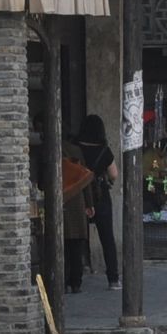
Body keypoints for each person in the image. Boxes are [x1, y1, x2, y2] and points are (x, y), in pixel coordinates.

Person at [74, 115, 120, 289]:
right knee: (107, 237)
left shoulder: (76, 148)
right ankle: (113, 279)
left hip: (80, 197)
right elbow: (114, 174)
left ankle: (75, 280)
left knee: (77, 237)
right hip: (100, 195)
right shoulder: (104, 150)